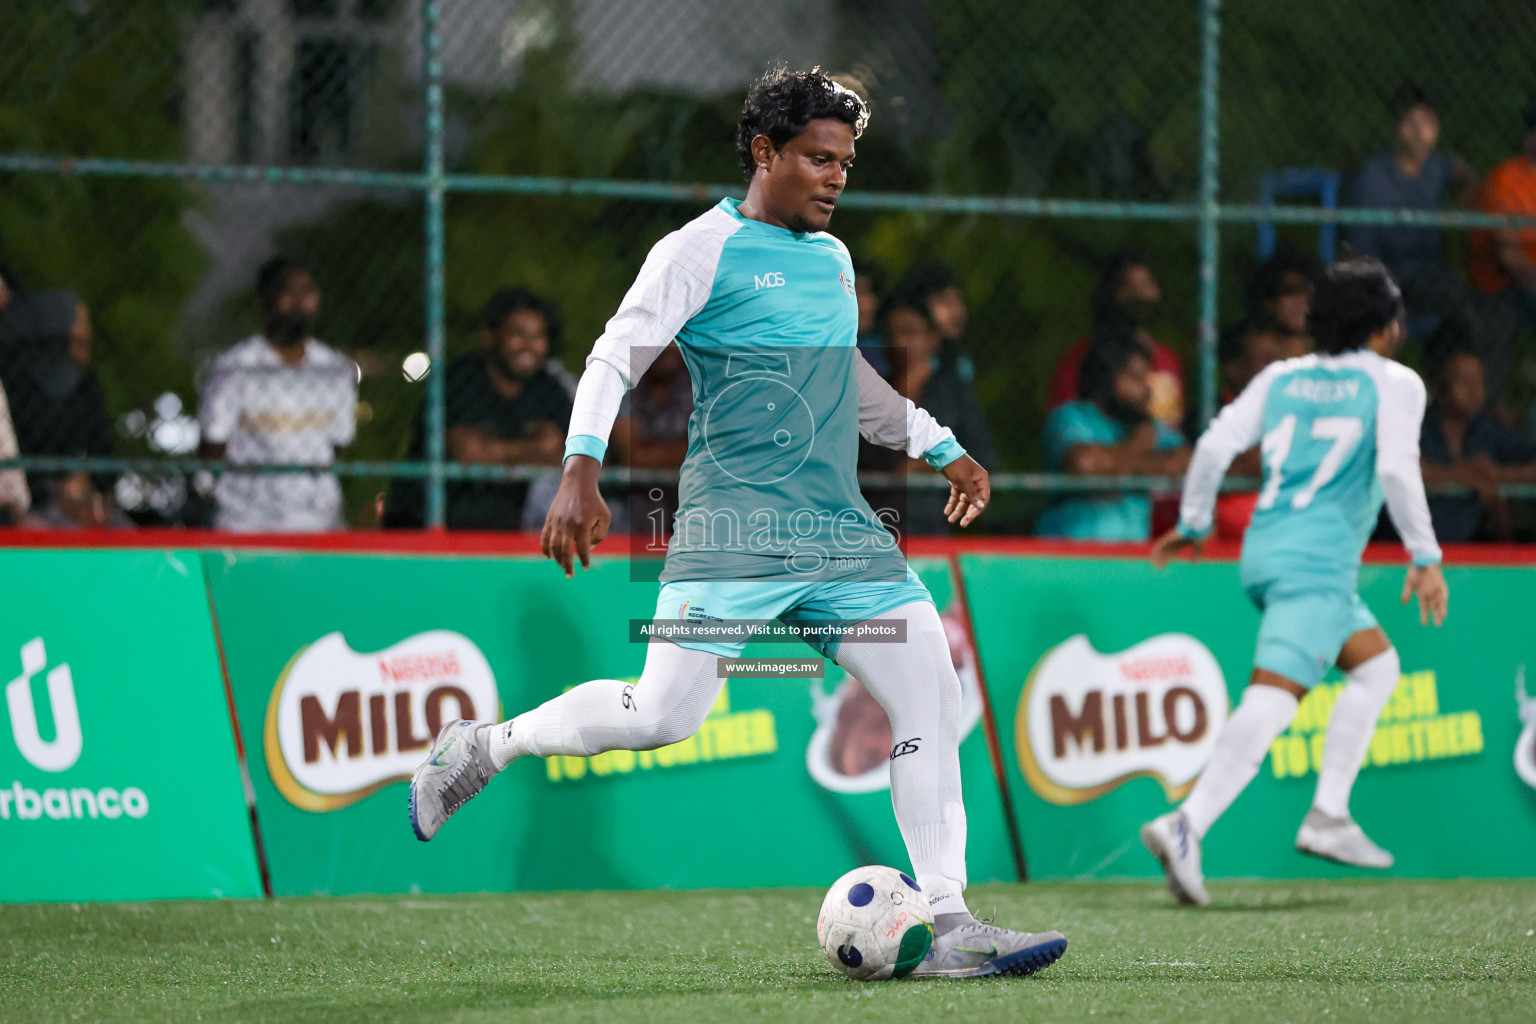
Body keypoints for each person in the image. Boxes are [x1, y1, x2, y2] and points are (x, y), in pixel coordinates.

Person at [406, 67, 1067, 979]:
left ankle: (948, 920)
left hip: (839, 530)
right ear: (765, 153)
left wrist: (935, 441)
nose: (837, 178)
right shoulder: (696, 250)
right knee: (662, 715)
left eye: (846, 162)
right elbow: (611, 358)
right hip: (736, 531)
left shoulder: (833, 262)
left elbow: (848, 380)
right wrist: (579, 471)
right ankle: (486, 747)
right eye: (817, 159)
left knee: (931, 693)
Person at [1140, 258, 1448, 907]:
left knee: (1376, 666)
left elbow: (1214, 446)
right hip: (1318, 567)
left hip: (1264, 550)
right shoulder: (1397, 383)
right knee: (1274, 700)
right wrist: (1425, 555)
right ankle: (1187, 824)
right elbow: (1396, 468)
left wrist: (1194, 522)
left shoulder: (1282, 377)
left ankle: (1329, 812)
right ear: (1386, 325)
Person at [385, 287, 572, 530]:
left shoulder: (547, 387)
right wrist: (534, 448)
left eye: (538, 336)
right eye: (518, 334)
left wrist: (493, 451)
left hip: (501, 529)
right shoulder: (460, 379)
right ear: (490, 336)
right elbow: (468, 452)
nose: (529, 346)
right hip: (424, 525)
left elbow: (571, 454)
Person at [198, 258, 357, 532]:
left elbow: (340, 444)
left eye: (307, 292)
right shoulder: (235, 368)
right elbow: (213, 446)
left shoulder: (334, 369)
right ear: (266, 300)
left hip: (318, 520)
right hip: (247, 521)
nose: (299, 302)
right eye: (288, 292)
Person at [1342, 85, 1474, 339]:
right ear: (1395, 127)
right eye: (1410, 122)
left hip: (1432, 273)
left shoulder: (1437, 167)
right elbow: (1359, 249)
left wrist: (1464, 197)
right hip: (1390, 273)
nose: (1418, 132)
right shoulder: (1373, 177)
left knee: (1466, 303)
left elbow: (1463, 173)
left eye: (1427, 123)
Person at [1037, 333, 1189, 541]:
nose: (1146, 390)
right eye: (1135, 378)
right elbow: (1085, 464)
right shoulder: (1070, 416)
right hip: (1069, 552)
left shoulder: (1147, 426)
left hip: (1131, 556)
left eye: (1147, 378)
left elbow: (1184, 462)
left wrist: (1112, 464)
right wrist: (1143, 450)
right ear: (1105, 378)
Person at [880, 286, 996, 535]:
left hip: (940, 521)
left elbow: (980, 454)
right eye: (891, 334)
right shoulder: (870, 389)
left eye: (909, 333)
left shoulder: (954, 393)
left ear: (933, 338)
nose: (898, 342)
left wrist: (927, 464)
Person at [0, 291, 117, 519]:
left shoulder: (85, 389)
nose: (86, 334)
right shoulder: (14, 382)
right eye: (79, 323)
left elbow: (103, 462)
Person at [1419, 323, 1536, 542]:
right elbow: (1398, 467)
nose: (1476, 392)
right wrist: (1458, 476)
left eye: (1478, 381)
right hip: (1413, 548)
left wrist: (1498, 476)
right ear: (1437, 387)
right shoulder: (1417, 428)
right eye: (1464, 383)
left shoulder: (1488, 432)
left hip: (1478, 551)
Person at [1048, 253, 1186, 430]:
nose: (1140, 296)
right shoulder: (1082, 358)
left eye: (1146, 285)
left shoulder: (1168, 361)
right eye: (1129, 287)